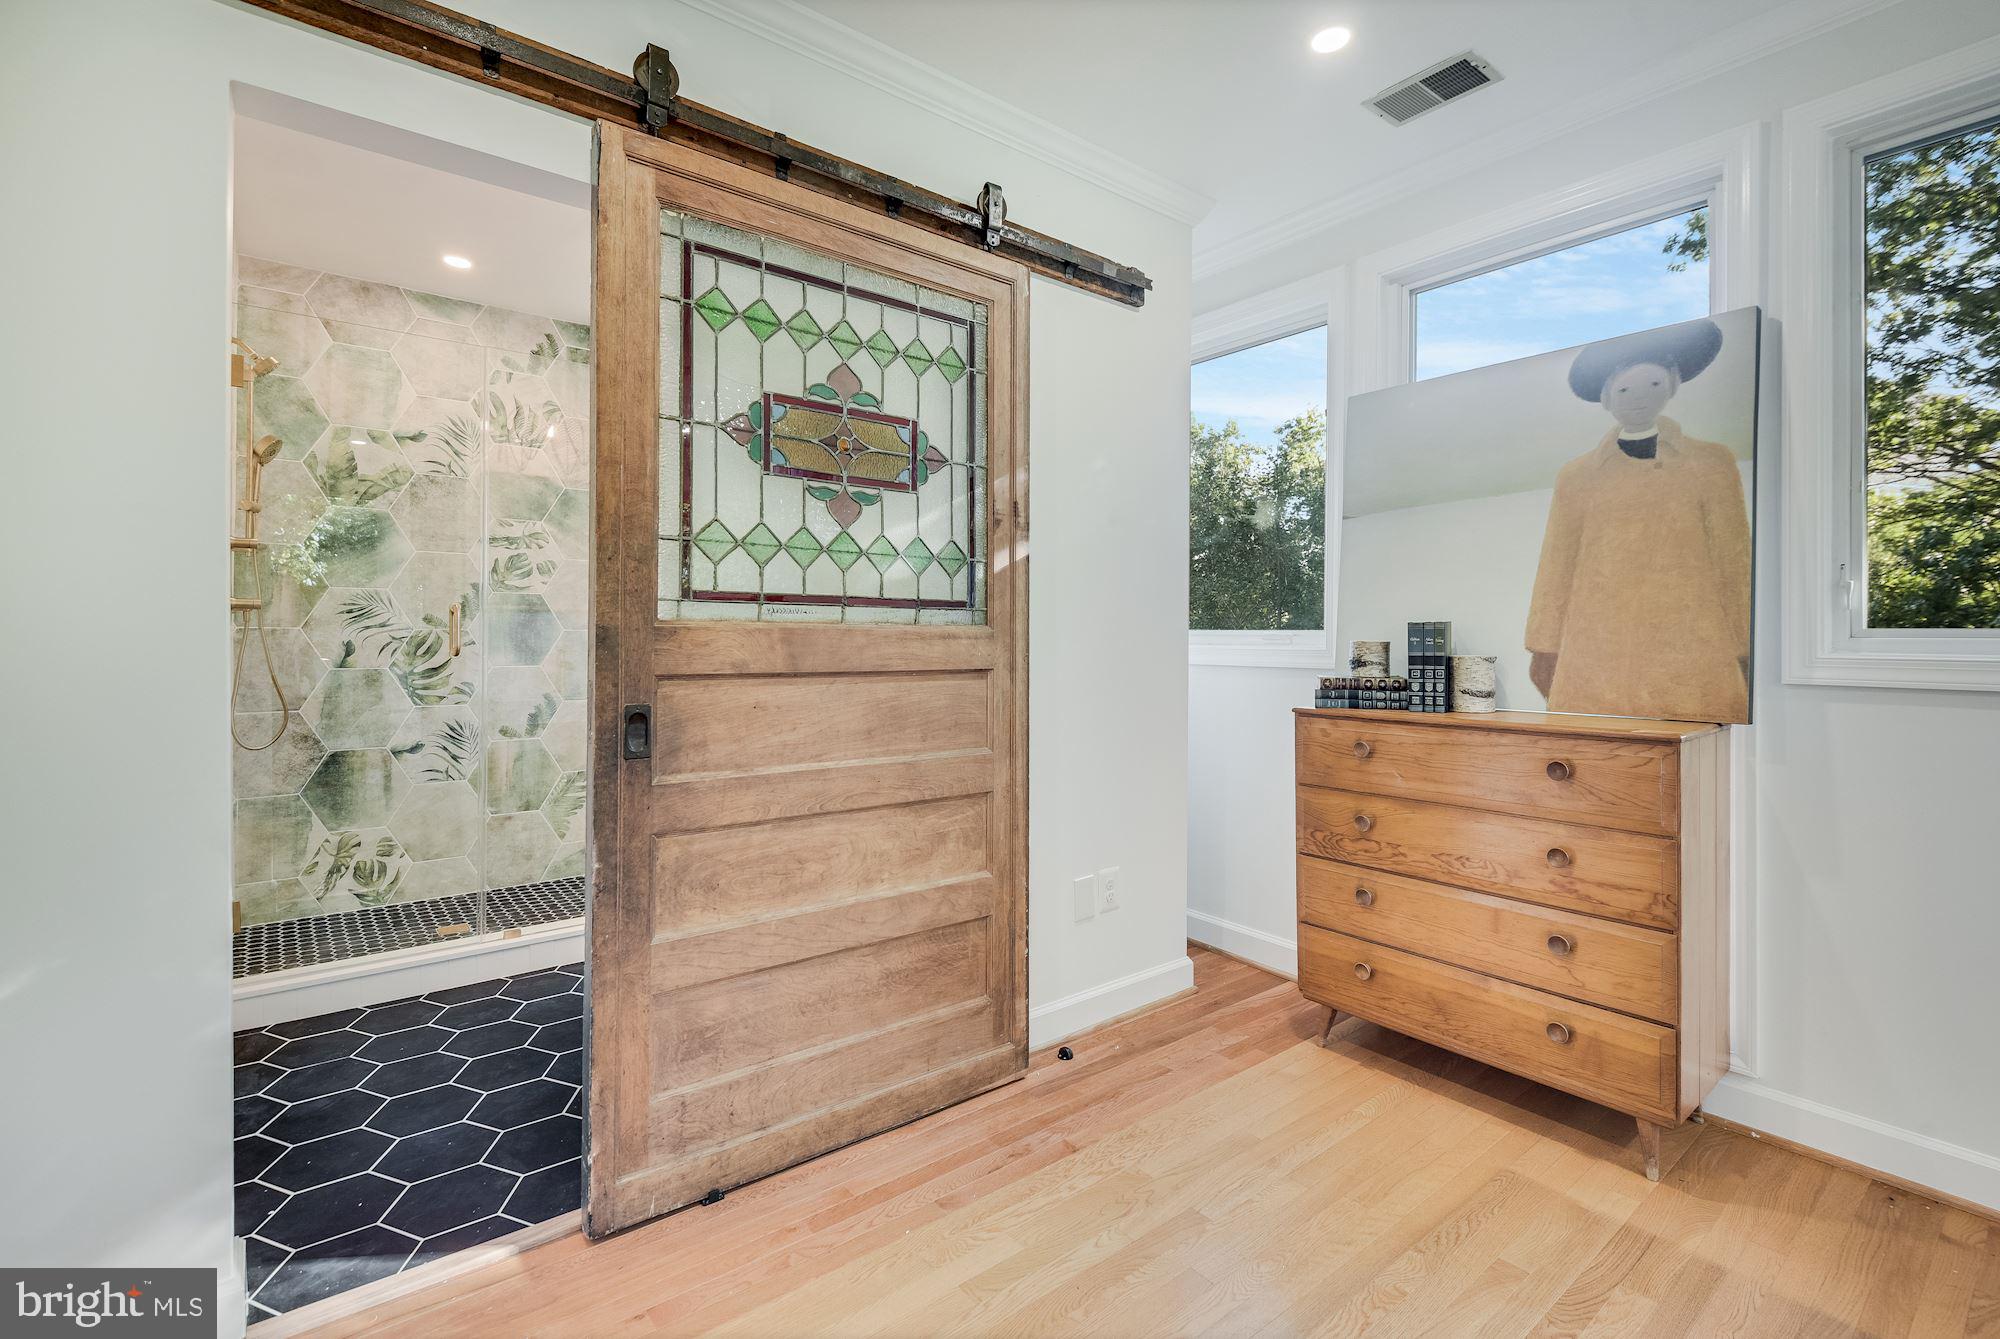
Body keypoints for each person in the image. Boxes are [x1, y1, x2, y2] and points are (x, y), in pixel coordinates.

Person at [1525, 318, 1752, 722]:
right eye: (1624, 389)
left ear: (1671, 385)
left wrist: (1745, 648)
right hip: (1594, 644)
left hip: (1692, 642)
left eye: (1652, 385)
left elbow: (1733, 564)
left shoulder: (1712, 462)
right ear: (1608, 399)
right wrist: (1545, 647)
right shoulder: (1577, 475)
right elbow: (1556, 565)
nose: (1637, 399)